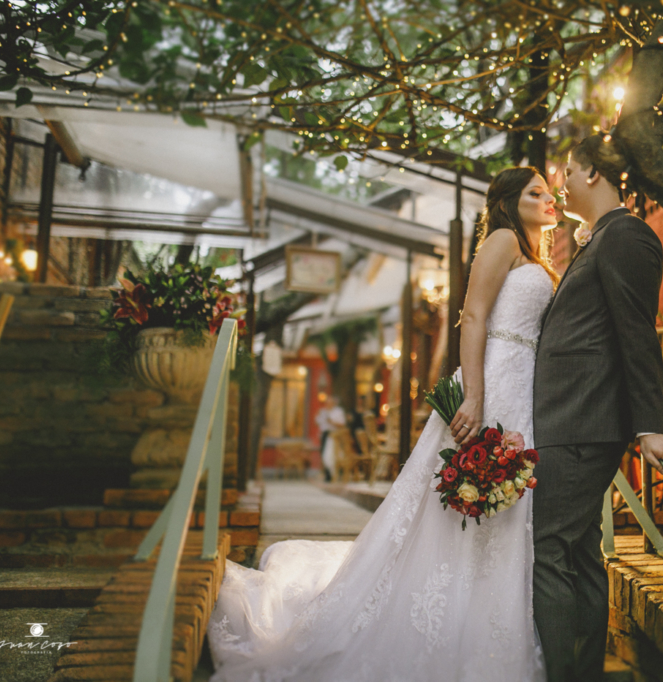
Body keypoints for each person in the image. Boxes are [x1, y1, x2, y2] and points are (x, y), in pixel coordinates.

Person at [206, 166, 560, 681]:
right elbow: (475, 316)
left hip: (522, 389)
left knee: (506, 511)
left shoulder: (537, 257)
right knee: (460, 503)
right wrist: (475, 398)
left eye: (551, 193)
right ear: (507, 202)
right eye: (536, 193)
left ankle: (484, 620)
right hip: (491, 387)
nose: (549, 200)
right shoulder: (504, 239)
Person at [532, 133, 663, 682]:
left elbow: (636, 332)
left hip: (581, 419)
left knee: (548, 549)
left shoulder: (627, 236)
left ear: (593, 173)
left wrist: (650, 426)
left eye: (568, 171)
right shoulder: (597, 239)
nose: (562, 182)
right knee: (577, 553)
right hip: (567, 417)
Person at [316, 396, 346, 482]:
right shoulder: (323, 411)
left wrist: (331, 421)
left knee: (334, 454)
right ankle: (327, 474)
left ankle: (337, 473)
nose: (328, 404)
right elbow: (318, 423)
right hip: (325, 434)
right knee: (324, 454)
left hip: (335, 435)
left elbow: (342, 424)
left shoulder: (338, 412)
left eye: (330, 403)